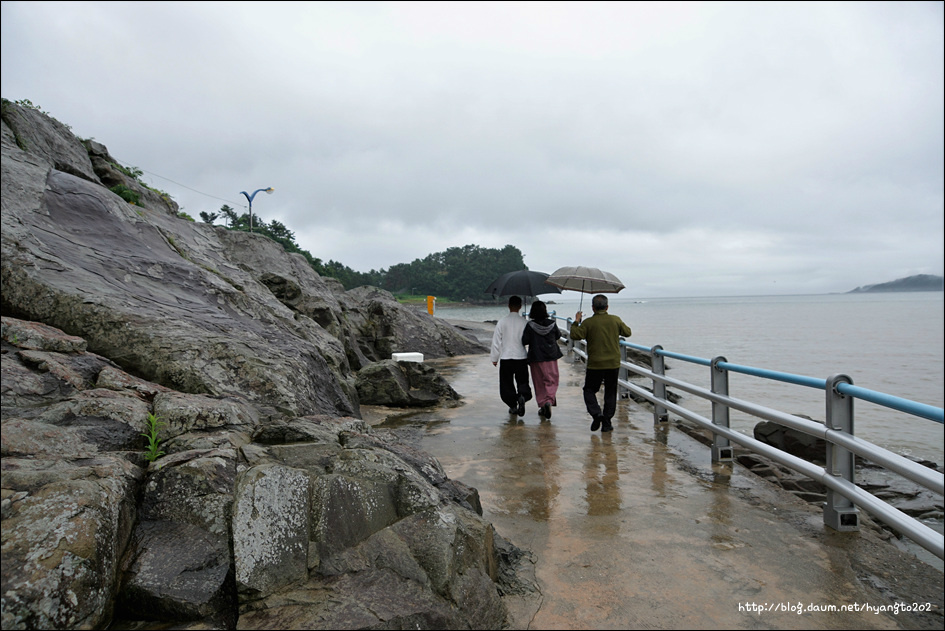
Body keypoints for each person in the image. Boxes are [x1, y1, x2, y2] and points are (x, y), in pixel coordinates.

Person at [569, 294, 632, 432]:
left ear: (593, 308)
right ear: (607, 307)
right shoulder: (615, 320)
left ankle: (596, 413)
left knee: (589, 390)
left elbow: (574, 335)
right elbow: (628, 332)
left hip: (595, 364)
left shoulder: (588, 323)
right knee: (610, 392)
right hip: (612, 363)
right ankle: (607, 423)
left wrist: (577, 321)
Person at [490, 296, 532, 416]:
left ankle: (513, 406)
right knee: (523, 381)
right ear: (520, 306)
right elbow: (529, 340)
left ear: (508, 306)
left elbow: (496, 342)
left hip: (506, 357)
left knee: (506, 384)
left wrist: (494, 358)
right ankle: (522, 396)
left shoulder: (502, 322)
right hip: (521, 357)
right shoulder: (525, 322)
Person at [521, 300, 563, 419]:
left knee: (538, 382)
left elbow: (524, 341)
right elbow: (558, 336)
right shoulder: (552, 323)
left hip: (536, 357)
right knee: (552, 380)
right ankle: (549, 400)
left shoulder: (530, 325)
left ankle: (542, 404)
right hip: (551, 356)